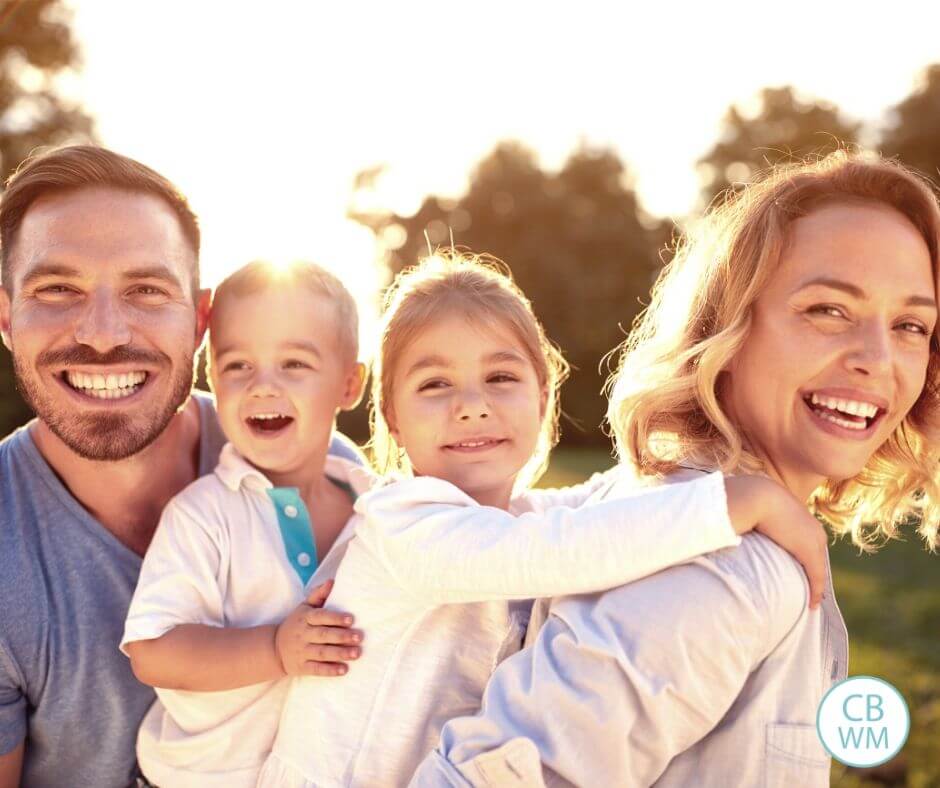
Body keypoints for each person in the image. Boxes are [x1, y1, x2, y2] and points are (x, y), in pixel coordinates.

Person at [410, 153, 940, 787]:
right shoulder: (726, 572)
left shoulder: (642, 506)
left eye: (911, 325)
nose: (878, 360)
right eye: (828, 310)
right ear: (731, 329)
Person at [258, 252, 830, 787]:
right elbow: (562, 547)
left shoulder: (516, 517)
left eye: (501, 378)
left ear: (541, 397)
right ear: (394, 420)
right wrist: (737, 503)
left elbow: (601, 502)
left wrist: (698, 464)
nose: (472, 404)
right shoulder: (403, 523)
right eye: (434, 385)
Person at [0, 147, 360, 788]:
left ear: (199, 319)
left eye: (146, 289)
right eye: (58, 289)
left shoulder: (322, 468)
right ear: (6, 317)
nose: (105, 334)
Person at [121, 260, 371, 787]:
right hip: (198, 778)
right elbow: (153, 651)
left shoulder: (375, 505)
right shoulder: (204, 515)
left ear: (349, 384)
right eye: (237, 366)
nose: (262, 386)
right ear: (212, 377)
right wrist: (275, 649)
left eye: (294, 364)